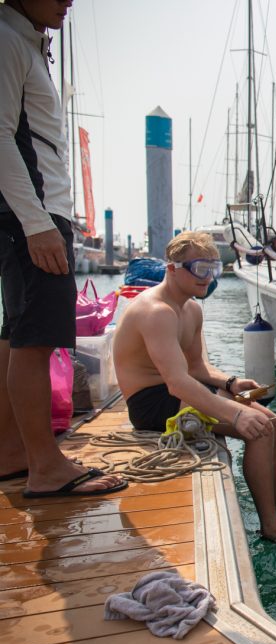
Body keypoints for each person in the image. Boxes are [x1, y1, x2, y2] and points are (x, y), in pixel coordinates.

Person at [112, 231, 276, 544]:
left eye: (214, 269)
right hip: (151, 403)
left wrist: (232, 383)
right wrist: (235, 416)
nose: (208, 277)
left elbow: (196, 367)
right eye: (200, 269)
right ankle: (272, 528)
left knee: (274, 422)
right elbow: (177, 381)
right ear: (173, 268)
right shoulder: (157, 313)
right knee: (259, 429)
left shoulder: (191, 309)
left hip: (178, 390)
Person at [0, 0, 127, 497]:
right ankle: (46, 469)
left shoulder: (24, 42)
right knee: (36, 340)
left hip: (27, 213)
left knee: (16, 337)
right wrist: (37, 223)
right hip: (32, 213)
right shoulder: (11, 41)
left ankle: (15, 452)